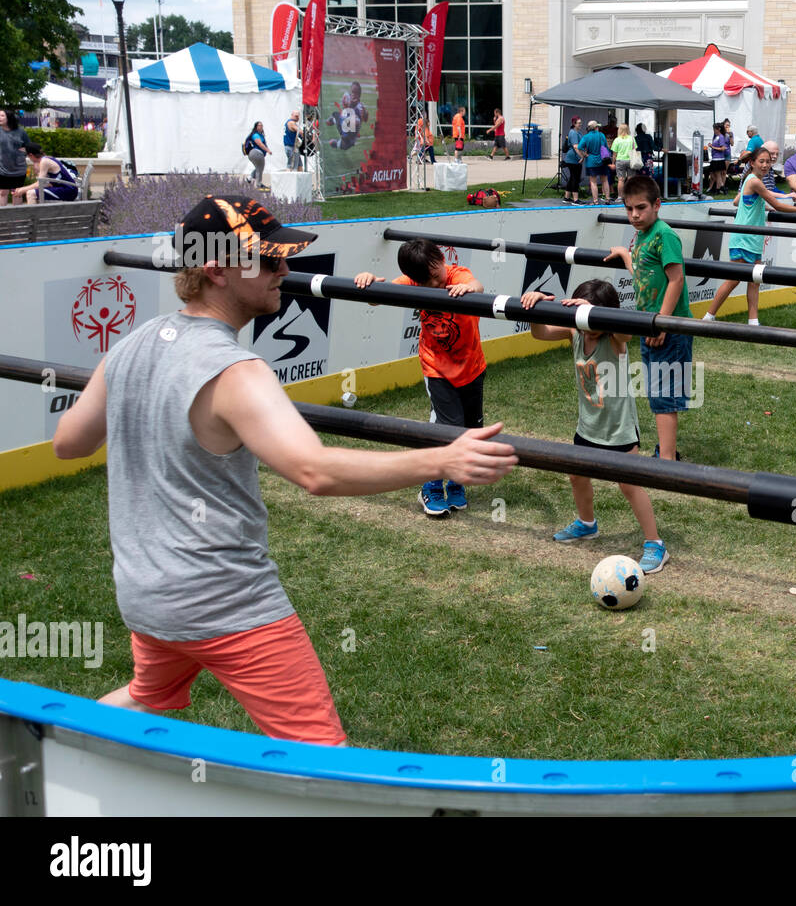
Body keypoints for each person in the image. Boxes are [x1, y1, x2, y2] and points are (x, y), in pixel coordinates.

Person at [51, 194, 517, 744]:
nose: (285, 271)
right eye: (270, 261)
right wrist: (443, 458)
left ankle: (55, 752)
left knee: (146, 698)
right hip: (225, 601)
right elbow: (314, 471)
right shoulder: (237, 372)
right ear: (216, 269)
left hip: (146, 596)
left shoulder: (129, 346)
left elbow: (68, 443)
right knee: (323, 759)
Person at [518, 280, 668, 574]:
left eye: (594, 320)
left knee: (629, 484)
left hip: (618, 427)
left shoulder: (615, 339)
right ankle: (587, 524)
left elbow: (625, 330)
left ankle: (655, 544)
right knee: (576, 476)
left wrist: (593, 311)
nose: (589, 328)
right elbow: (540, 333)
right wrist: (535, 305)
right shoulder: (575, 331)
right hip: (588, 425)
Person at [354, 238, 488, 516]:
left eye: (437, 277)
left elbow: (477, 285)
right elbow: (377, 296)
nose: (437, 285)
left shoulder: (455, 274)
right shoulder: (413, 281)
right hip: (436, 368)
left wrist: (469, 289)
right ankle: (431, 484)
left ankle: (456, 481)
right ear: (415, 279)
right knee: (446, 428)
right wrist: (368, 282)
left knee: (472, 430)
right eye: (428, 283)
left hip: (472, 366)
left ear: (441, 260)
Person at [604, 175, 693, 462]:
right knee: (656, 393)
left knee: (665, 396)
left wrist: (662, 322)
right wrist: (625, 255)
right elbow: (643, 275)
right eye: (629, 209)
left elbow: (676, 280)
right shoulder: (643, 235)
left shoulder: (665, 234)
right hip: (649, 325)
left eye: (640, 208)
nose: (634, 215)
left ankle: (667, 461)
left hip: (669, 327)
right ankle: (665, 452)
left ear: (657, 205)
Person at [701, 146, 796, 326]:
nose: (765, 165)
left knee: (754, 280)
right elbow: (777, 205)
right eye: (761, 161)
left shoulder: (750, 180)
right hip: (745, 237)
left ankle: (752, 321)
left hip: (752, 238)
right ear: (752, 163)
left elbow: (738, 201)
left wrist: (760, 205)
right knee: (734, 279)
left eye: (768, 162)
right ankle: (709, 317)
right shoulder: (754, 181)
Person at [12, 143, 78, 203]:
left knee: (31, 193)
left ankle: (32, 216)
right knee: (34, 192)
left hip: (69, 191)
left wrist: (22, 190)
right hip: (68, 189)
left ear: (31, 155)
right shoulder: (47, 158)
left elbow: (39, 184)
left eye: (27, 156)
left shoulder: (44, 162)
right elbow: (46, 183)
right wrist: (21, 189)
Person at [0, 109, 32, 205]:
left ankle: (17, 219)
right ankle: (3, 219)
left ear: (9, 117)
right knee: (2, 192)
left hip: (18, 169)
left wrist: (21, 152)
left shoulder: (21, 132)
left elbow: (29, 147)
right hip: (2, 168)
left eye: (2, 116)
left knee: (17, 193)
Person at [580, 119, 611, 204]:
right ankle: (607, 199)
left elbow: (580, 147)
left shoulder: (586, 137)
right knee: (605, 180)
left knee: (593, 182)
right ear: (596, 127)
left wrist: (585, 155)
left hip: (591, 161)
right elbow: (606, 147)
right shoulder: (601, 135)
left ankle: (595, 201)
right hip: (602, 160)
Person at [611, 123, 636, 203]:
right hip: (630, 160)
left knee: (621, 180)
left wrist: (613, 163)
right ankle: (630, 196)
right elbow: (634, 150)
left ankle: (620, 197)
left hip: (620, 160)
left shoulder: (617, 140)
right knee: (630, 179)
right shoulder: (632, 139)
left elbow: (614, 154)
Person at [562, 115, 584, 205]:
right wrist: (582, 157)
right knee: (575, 178)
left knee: (572, 178)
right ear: (574, 124)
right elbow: (575, 147)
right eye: (579, 123)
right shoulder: (574, 133)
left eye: (580, 123)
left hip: (572, 158)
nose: (580, 124)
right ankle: (575, 200)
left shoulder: (576, 132)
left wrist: (584, 154)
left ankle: (566, 197)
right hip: (574, 159)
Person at [243, 122, 270, 190]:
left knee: (258, 168)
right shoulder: (255, 135)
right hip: (256, 153)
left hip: (255, 154)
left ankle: (249, 178)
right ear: (256, 126)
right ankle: (258, 184)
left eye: (262, 125)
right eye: (259, 125)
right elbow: (259, 143)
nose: (261, 127)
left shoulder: (260, 135)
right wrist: (267, 150)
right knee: (260, 169)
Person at [708, 122, 730, 193]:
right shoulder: (716, 137)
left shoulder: (721, 137)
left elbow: (723, 148)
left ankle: (722, 187)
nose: (713, 130)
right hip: (715, 158)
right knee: (716, 174)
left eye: (714, 129)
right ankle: (718, 188)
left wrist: (712, 147)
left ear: (718, 129)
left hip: (719, 158)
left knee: (717, 174)